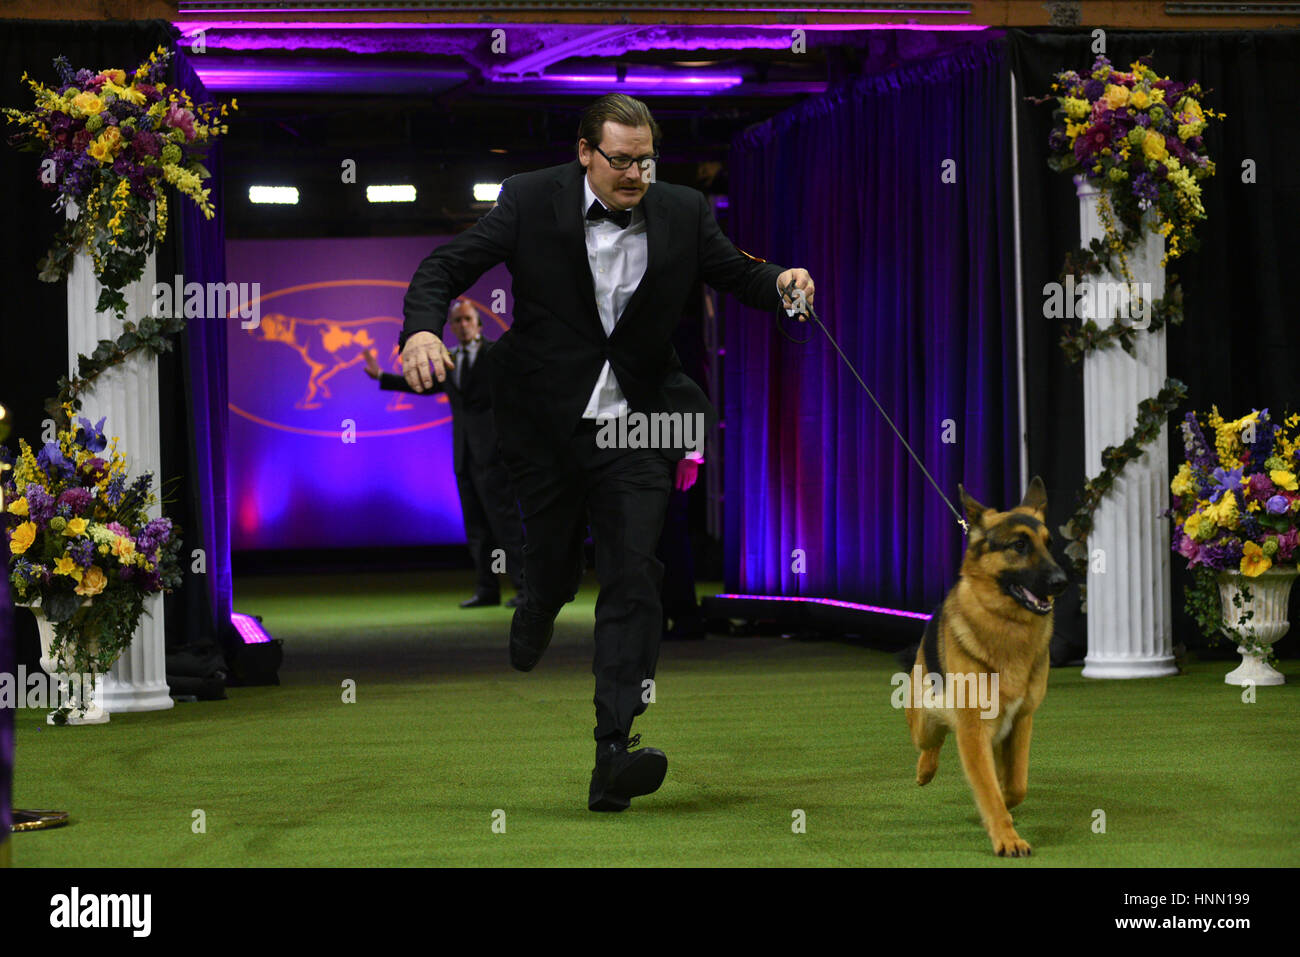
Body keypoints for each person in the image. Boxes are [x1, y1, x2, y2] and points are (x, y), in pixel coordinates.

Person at [398, 92, 815, 812]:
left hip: (642, 422)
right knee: (556, 564)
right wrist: (422, 331)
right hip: (548, 424)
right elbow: (444, 265)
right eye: (620, 160)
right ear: (585, 152)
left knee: (633, 571)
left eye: (645, 160)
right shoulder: (530, 201)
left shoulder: (683, 209)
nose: (634, 175)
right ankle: (538, 598)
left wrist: (781, 281)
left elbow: (736, 272)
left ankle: (613, 746)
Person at [366, 300, 525, 608]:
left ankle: (525, 588)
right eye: (457, 321)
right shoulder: (449, 359)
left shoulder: (497, 356)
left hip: (494, 456)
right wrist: (382, 377)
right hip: (463, 456)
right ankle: (487, 589)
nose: (462, 324)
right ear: (451, 327)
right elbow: (423, 385)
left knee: (506, 526)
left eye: (467, 319)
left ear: (478, 324)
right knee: (477, 528)